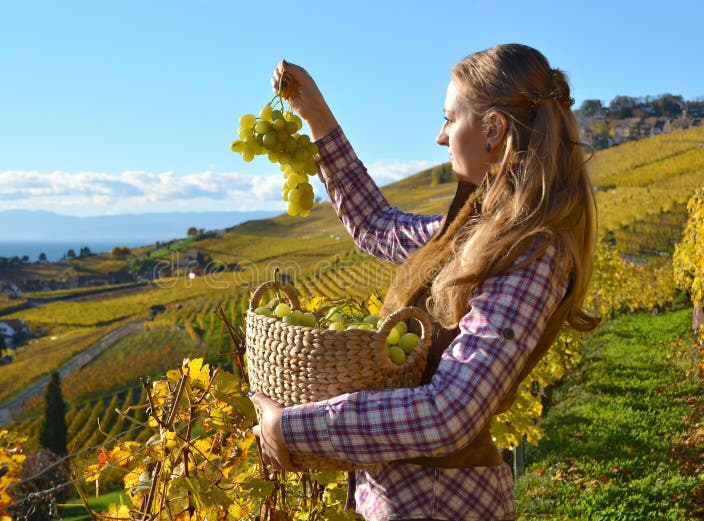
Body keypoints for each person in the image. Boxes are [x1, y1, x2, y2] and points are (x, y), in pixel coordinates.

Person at [251, 43, 599, 521]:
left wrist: (291, 429)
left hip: (441, 503)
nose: (440, 137)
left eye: (449, 119)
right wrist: (316, 114)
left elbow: (448, 413)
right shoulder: (476, 226)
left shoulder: (533, 252)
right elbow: (377, 224)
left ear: (493, 130)